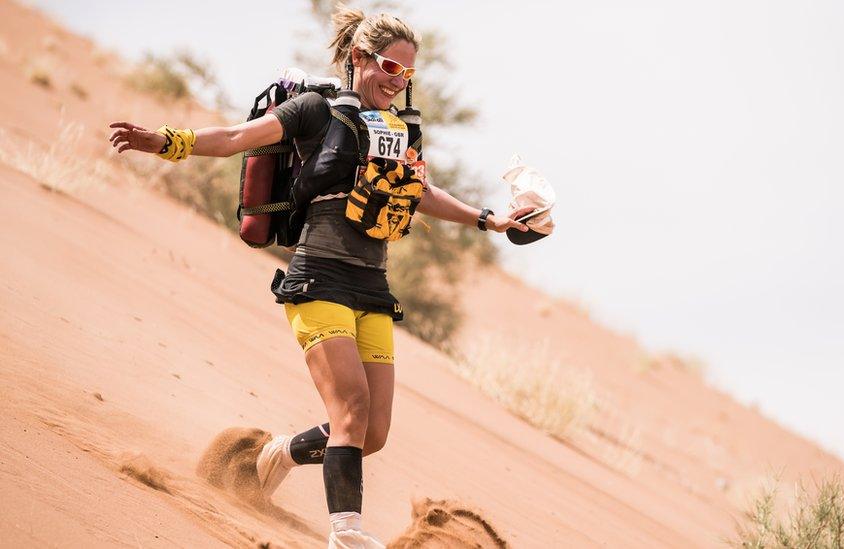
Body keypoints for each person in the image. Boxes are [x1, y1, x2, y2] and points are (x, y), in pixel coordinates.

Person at [109, 5, 532, 548]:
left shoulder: (399, 129)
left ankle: (274, 455)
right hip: (317, 281)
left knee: (370, 433)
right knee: (350, 408)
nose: (397, 81)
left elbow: (421, 193)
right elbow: (238, 136)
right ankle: (346, 535)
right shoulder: (315, 109)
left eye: (408, 73)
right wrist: (169, 142)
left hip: (372, 289)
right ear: (360, 57)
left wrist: (487, 219)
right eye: (389, 66)